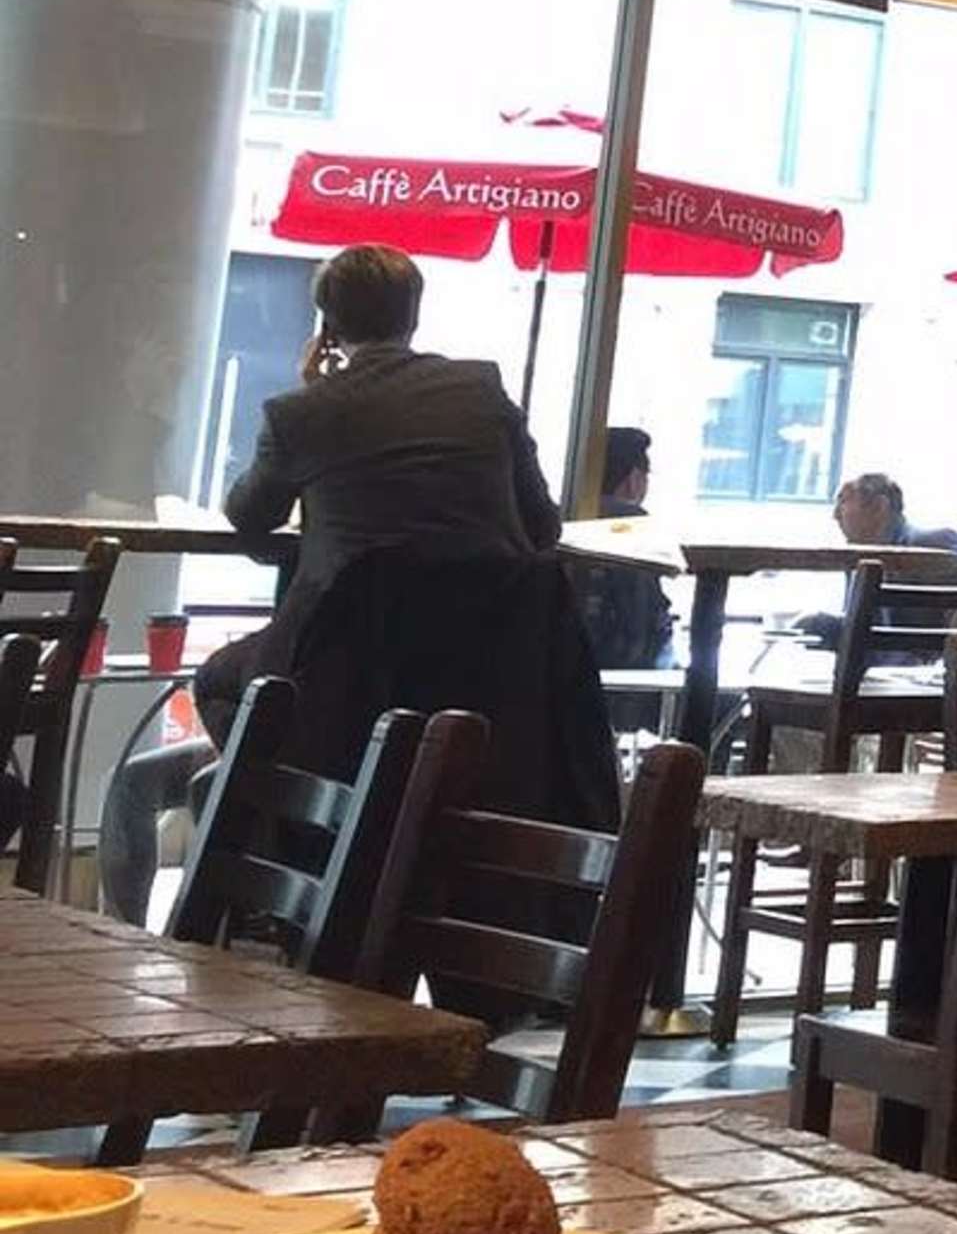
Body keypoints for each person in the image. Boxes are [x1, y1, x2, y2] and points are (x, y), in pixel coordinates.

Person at [210, 245, 615, 835]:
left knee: (220, 681)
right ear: (415, 314)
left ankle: (294, 839)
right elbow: (541, 527)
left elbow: (249, 515)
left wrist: (312, 392)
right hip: (490, 669)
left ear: (327, 325)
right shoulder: (481, 391)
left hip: (350, 666)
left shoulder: (300, 413)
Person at [569, 425, 670, 672]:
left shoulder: (569, 518)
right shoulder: (631, 528)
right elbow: (640, 630)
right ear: (634, 479)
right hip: (617, 678)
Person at [834, 472, 957, 576]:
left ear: (879, 506)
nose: (835, 516)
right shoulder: (860, 560)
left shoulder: (934, 544)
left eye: (843, 502)